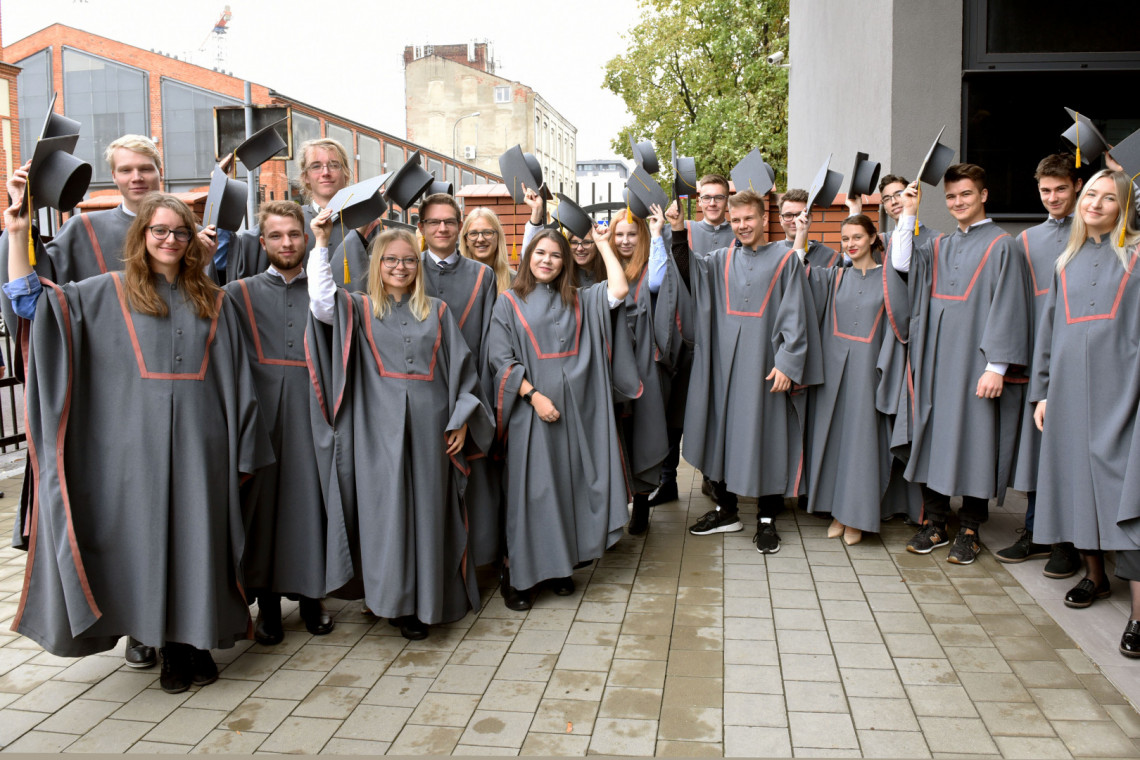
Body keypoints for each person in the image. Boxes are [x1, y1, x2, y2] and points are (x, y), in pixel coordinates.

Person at [4, 183, 273, 694]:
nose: (170, 240)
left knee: (202, 546)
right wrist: (18, 235)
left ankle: (199, 641)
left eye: (179, 232)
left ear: (192, 239)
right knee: (150, 548)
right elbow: (30, 305)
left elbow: (239, 380)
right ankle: (168, 648)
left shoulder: (215, 300)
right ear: (141, 235)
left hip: (203, 450)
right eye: (159, 231)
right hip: (135, 453)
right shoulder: (104, 291)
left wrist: (242, 444)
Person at [0, 134, 164, 669]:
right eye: (125, 170)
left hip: (173, 395)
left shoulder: (179, 230)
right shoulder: (85, 231)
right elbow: (37, 299)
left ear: (159, 172)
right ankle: (137, 625)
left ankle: (173, 621)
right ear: (112, 178)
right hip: (105, 393)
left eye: (145, 168)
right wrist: (19, 227)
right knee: (122, 516)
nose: (136, 178)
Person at [306, 219, 494, 640]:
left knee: (428, 516)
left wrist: (462, 420)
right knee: (386, 518)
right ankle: (391, 601)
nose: (400, 267)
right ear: (377, 264)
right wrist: (321, 243)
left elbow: (464, 373)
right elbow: (320, 303)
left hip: (432, 434)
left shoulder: (438, 311)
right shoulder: (357, 308)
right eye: (390, 259)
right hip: (377, 433)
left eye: (409, 260)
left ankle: (425, 602)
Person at [487, 225, 638, 609]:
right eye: (540, 254)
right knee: (534, 492)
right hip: (532, 412)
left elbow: (619, 290)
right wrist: (533, 396)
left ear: (565, 261)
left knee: (568, 488)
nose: (547, 261)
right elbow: (500, 360)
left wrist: (603, 244)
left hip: (579, 411)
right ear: (527, 256)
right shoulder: (508, 301)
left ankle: (560, 568)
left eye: (556, 255)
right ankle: (519, 577)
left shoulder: (580, 299)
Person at [890, 164, 1032, 564]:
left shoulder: (1003, 245)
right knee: (932, 436)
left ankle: (970, 528)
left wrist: (997, 367)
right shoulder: (940, 245)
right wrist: (910, 212)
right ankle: (936, 521)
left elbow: (1010, 305)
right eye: (951, 196)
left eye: (965, 194)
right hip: (935, 360)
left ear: (983, 195)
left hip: (976, 363)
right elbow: (902, 266)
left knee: (975, 441)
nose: (957, 202)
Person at [669, 190, 823, 554]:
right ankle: (726, 510)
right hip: (724, 367)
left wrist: (787, 362)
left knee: (768, 437)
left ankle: (767, 519)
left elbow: (796, 314)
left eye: (748, 219)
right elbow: (688, 272)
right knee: (720, 433)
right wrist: (678, 230)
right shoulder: (720, 259)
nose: (741, 226)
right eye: (735, 221)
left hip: (766, 368)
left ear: (762, 219)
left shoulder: (785, 260)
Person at [1029, 169, 1140, 657]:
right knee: (1077, 484)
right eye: (1090, 193)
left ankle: (1139, 614)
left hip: (1125, 392)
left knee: (1128, 496)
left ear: (1125, 206)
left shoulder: (1136, 258)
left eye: (1107, 197)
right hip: (1071, 394)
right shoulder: (1064, 261)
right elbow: (1050, 334)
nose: (1094, 203)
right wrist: (1045, 393)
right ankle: (1095, 577)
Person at [219, 201, 335, 645]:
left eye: (294, 234)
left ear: (306, 238)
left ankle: (312, 597)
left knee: (311, 502)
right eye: (276, 236)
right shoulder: (237, 293)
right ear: (262, 241)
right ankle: (266, 604)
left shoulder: (324, 288)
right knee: (262, 509)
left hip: (311, 407)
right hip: (259, 412)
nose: (286, 243)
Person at [801, 212, 920, 545]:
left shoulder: (890, 278)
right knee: (836, 442)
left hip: (870, 375)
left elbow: (903, 323)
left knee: (863, 446)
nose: (850, 244)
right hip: (833, 377)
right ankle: (837, 511)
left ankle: (857, 517)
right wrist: (801, 234)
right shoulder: (835, 277)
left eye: (857, 237)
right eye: (845, 239)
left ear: (872, 238)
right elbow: (798, 278)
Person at [997, 155, 1084, 578]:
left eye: (1061, 189)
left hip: (1080, 361)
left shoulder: (1093, 237)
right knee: (1035, 454)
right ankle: (1036, 532)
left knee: (1069, 454)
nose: (1052, 198)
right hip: (1038, 362)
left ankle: (1070, 543)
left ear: (1077, 186)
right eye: (1045, 191)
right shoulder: (1026, 241)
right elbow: (1015, 306)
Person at [416, 193, 502, 570]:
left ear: (460, 227)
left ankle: (477, 566)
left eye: (450, 221)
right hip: (417, 401)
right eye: (434, 222)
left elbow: (487, 350)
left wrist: (470, 412)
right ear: (421, 228)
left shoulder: (483, 276)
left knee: (476, 489)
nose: (442, 228)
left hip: (467, 401)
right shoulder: (404, 268)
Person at [653, 174, 738, 509]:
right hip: (683, 334)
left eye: (719, 197)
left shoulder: (741, 233)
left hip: (722, 336)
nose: (713, 202)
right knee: (674, 413)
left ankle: (712, 477)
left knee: (714, 412)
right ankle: (666, 480)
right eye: (706, 197)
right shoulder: (682, 229)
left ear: (727, 201)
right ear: (698, 200)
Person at [602, 209, 672, 534]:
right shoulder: (603, 269)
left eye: (632, 234)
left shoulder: (648, 270)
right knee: (613, 435)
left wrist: (657, 234)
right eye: (619, 234)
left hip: (642, 364)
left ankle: (642, 504)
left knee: (642, 435)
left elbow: (658, 283)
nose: (625, 240)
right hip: (608, 365)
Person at [228, 138, 352, 282]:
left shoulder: (366, 225)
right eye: (316, 166)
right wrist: (225, 190)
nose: (325, 172)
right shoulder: (288, 221)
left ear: (346, 173)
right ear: (305, 177)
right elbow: (233, 253)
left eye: (334, 165)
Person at [521, 187, 605, 286]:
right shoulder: (559, 274)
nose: (580, 248)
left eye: (586, 242)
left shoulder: (608, 272)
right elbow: (528, 259)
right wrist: (536, 211)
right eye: (573, 242)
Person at [774, 188, 839, 268]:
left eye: (800, 215)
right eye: (788, 215)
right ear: (780, 220)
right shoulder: (770, 254)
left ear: (810, 218)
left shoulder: (831, 257)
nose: (795, 220)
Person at [877, 174, 939, 253]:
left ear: (911, 195)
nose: (894, 202)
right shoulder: (882, 243)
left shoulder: (936, 239)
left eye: (899, 194)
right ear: (884, 207)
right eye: (887, 199)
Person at [460, 207, 514, 293]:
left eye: (487, 232)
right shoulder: (456, 280)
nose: (480, 239)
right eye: (473, 233)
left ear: (498, 237)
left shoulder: (516, 282)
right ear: (465, 240)